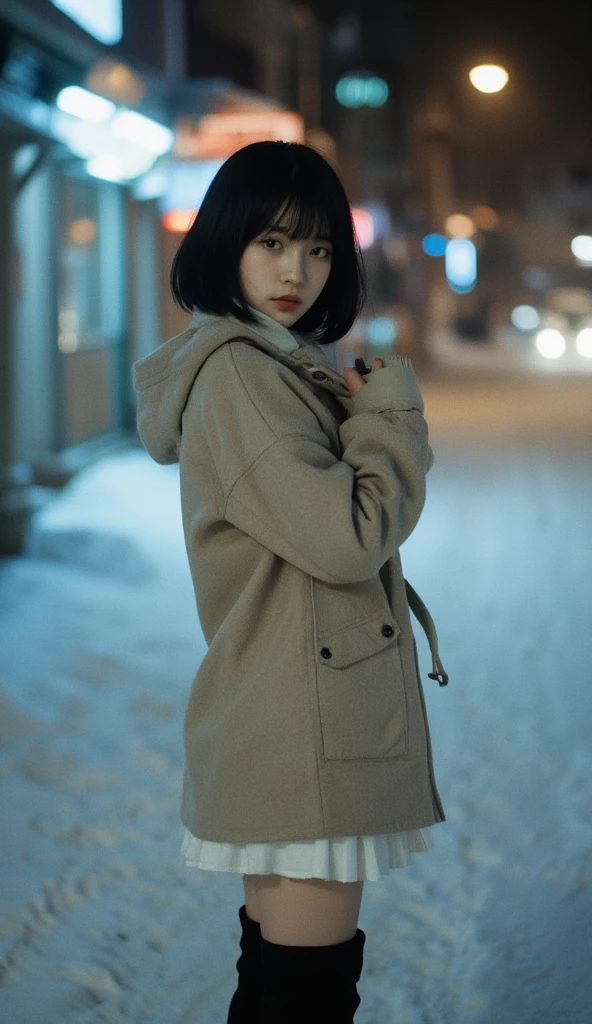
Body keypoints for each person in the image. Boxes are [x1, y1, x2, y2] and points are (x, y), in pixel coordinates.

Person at [132, 140, 449, 1023]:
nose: (296, 271)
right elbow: (349, 538)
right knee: (306, 1000)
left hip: (289, 711)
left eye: (317, 249)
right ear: (226, 240)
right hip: (302, 724)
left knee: (278, 991)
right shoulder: (244, 374)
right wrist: (390, 417)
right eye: (272, 242)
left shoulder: (270, 365)